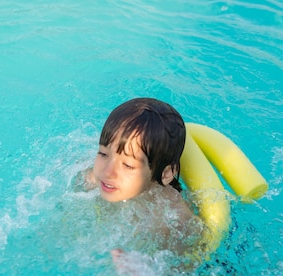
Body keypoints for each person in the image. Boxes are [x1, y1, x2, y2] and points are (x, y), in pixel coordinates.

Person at [76, 97, 204, 261]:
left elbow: (183, 273)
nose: (108, 172)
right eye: (103, 154)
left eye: (128, 165)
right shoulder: (93, 178)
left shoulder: (172, 221)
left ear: (166, 174)